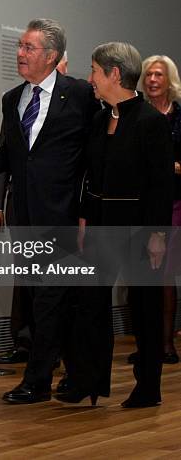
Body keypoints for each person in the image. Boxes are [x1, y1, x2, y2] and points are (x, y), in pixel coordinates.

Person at [0, 19, 98, 403]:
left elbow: (94, 157)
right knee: (39, 298)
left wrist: (87, 211)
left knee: (52, 298)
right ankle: (72, 375)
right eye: (20, 46)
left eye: (29, 47)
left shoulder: (81, 94)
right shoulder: (12, 98)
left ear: (51, 56)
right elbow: (10, 156)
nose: (20, 53)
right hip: (26, 218)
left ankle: (38, 380)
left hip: (64, 217)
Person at [57, 42, 173, 408]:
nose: (90, 78)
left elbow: (160, 185)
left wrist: (158, 235)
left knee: (144, 307)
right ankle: (88, 382)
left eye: (94, 70)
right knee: (89, 302)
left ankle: (148, 387)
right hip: (99, 225)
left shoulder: (151, 121)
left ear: (115, 74)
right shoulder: (98, 118)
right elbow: (90, 175)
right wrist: (82, 218)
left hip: (140, 226)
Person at [0, 50, 69, 365]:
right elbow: (4, 153)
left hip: (57, 209)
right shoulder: (15, 100)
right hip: (21, 204)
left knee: (54, 282)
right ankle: (25, 341)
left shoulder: (75, 100)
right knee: (26, 277)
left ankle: (54, 350)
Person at [140, 55, 181, 364]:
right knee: (139, 274)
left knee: (164, 273)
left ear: (170, 80)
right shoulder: (136, 112)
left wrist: (169, 167)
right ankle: (145, 345)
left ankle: (165, 344)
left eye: (159, 75)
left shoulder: (179, 116)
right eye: (149, 74)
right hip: (139, 202)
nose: (153, 80)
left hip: (173, 201)